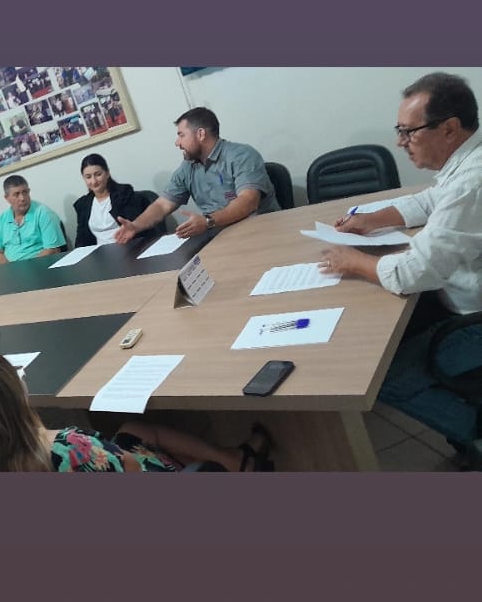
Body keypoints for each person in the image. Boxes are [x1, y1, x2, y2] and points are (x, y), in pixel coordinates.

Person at [317, 72, 482, 453]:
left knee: (384, 374)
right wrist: (372, 219)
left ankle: (472, 431)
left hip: (474, 318)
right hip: (456, 296)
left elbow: (415, 272)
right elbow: (428, 201)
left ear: (449, 129)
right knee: (384, 331)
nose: (400, 142)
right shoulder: (467, 163)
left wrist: (353, 262)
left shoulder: (471, 182)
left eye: (409, 132)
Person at [0, 352, 274, 472]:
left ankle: (232, 460)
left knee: (133, 429)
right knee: (147, 443)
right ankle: (235, 461)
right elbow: (131, 467)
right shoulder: (69, 447)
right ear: (18, 397)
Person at [114, 107, 279, 262]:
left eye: (181, 135)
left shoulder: (242, 155)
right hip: (219, 239)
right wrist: (136, 226)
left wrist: (207, 221)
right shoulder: (188, 167)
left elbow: (248, 201)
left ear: (200, 134)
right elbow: (163, 205)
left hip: (261, 233)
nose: (177, 143)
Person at [73, 152, 153, 248]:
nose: (93, 181)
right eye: (88, 177)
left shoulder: (124, 194)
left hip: (129, 248)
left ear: (107, 173)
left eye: (98, 174)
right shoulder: (83, 204)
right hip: (99, 253)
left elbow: (137, 230)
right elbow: (81, 240)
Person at [0, 174, 65, 264]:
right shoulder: (3, 218)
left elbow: (53, 250)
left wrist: (27, 268)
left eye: (25, 192)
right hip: (10, 269)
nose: (22, 198)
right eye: (16, 194)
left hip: (39, 266)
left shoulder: (44, 213)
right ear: (7, 198)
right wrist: (9, 268)